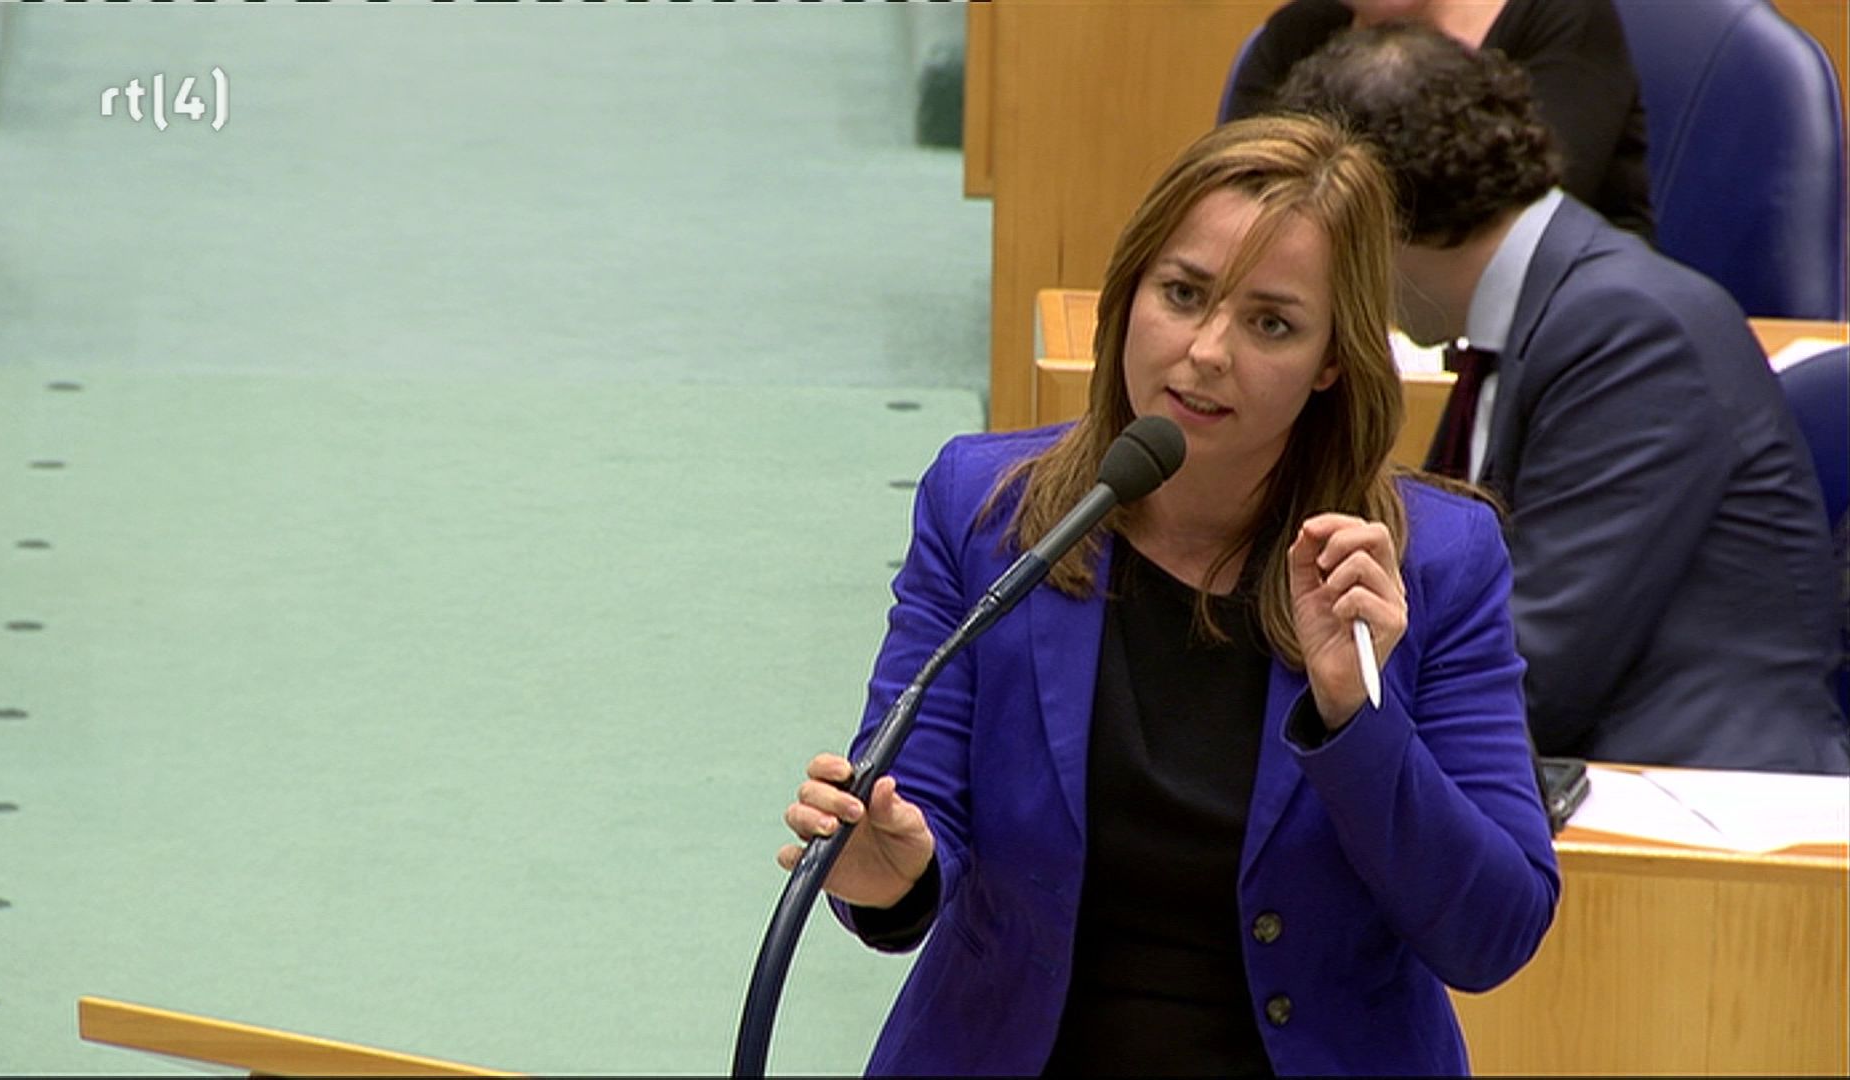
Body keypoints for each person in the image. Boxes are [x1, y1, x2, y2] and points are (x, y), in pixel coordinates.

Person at [776, 114, 1558, 1076]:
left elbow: (1494, 934)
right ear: (1128, 293)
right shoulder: (985, 513)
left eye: (1271, 323)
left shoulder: (1430, 563)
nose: (1208, 351)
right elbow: (913, 813)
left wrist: (1356, 718)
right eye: (1183, 294)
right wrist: (892, 872)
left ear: (1332, 361)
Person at [1275, 23, 1850, 771]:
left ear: (1378, 220)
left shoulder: (1632, 330)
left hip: (1700, 796)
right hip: (1590, 769)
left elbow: (1532, 665)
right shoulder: (1538, 317)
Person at [1224, 0, 1654, 242]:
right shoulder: (1295, 33)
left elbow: (1525, 219)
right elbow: (1239, 202)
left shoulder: (1561, 17)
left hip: (1550, 320)